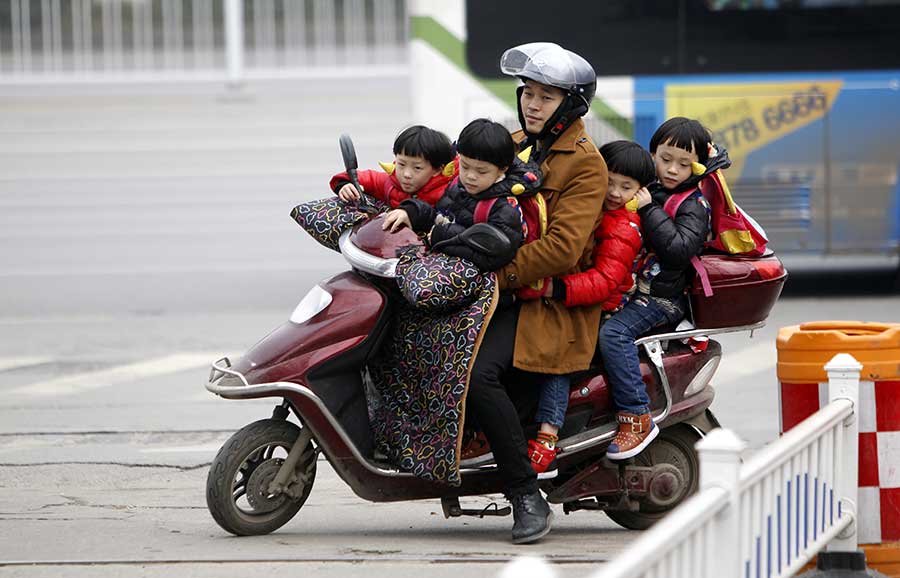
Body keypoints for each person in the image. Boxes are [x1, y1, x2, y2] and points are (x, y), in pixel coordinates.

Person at [461, 42, 608, 544]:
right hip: (499, 290)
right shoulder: (520, 142)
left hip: (544, 301)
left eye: (547, 96)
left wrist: (494, 276)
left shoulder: (584, 165)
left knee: (478, 375)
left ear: (569, 105)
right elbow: (459, 183)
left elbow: (563, 248)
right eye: (528, 93)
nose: (532, 103)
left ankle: (526, 495)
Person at [526, 140, 656, 478]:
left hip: (600, 306)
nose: (614, 191)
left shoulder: (623, 225)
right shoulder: (590, 207)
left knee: (559, 355)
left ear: (641, 190)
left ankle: (548, 436)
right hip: (582, 299)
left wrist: (558, 288)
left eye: (625, 186)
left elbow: (606, 280)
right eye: (608, 181)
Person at [599, 117, 717, 460]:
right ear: (653, 154)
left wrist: (649, 208)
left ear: (698, 166)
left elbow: (679, 249)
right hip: (634, 290)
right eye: (665, 159)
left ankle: (637, 416)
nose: (672, 169)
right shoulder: (647, 187)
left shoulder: (693, 204)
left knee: (614, 335)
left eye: (684, 164)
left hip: (661, 299)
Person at [380, 118, 541, 272]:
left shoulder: (503, 208)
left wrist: (443, 237)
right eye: (465, 166)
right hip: (443, 265)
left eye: (481, 171)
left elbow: (495, 258)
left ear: (502, 169)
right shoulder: (458, 186)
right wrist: (411, 212)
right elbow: (439, 217)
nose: (470, 176)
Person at [329, 125, 455, 209]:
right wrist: (344, 186)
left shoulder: (452, 192)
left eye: (417, 168)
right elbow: (360, 178)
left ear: (438, 169)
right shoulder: (391, 183)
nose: (406, 174)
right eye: (401, 164)